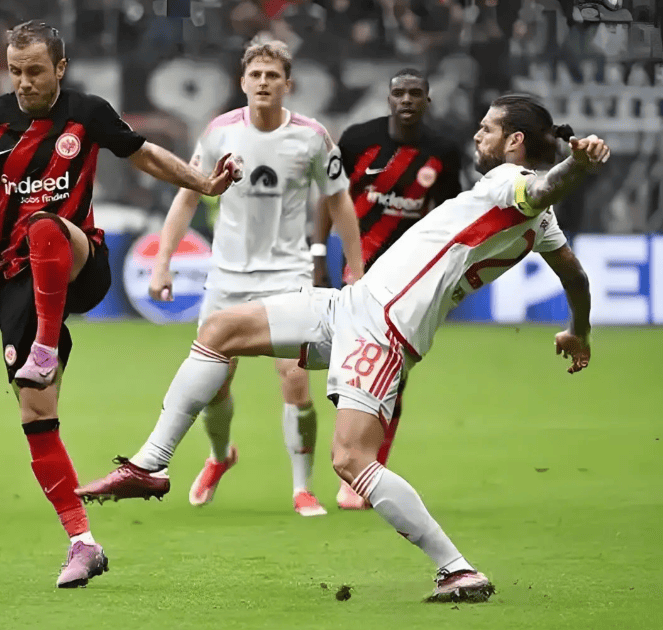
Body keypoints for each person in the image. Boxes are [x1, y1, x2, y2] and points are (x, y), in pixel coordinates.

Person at [77, 94, 608, 602]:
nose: (477, 134)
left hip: (385, 330)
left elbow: (544, 188)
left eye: (488, 128)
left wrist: (576, 167)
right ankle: (150, 465)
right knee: (219, 330)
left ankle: (457, 568)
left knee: (352, 460)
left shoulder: (513, 184)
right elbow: (576, 277)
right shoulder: (539, 221)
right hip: (353, 305)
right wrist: (578, 331)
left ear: (515, 141)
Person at [0, 20, 235, 589]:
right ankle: (82, 543)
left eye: (35, 71)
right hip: (18, 281)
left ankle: (43, 347)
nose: (24, 82)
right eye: (15, 71)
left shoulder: (86, 113)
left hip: (81, 261)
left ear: (60, 68)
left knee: (43, 224)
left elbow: (145, 155)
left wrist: (203, 183)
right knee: (36, 416)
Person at [147, 40, 364, 517]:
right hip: (228, 276)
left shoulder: (312, 137)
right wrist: (163, 261)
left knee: (294, 378)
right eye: (256, 75)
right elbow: (187, 195)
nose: (264, 82)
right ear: (242, 82)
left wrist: (357, 268)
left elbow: (339, 201)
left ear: (288, 84)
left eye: (273, 75)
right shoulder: (219, 132)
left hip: (287, 274)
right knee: (215, 385)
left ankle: (302, 487)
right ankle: (220, 456)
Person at [314, 67, 463, 510]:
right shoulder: (358, 140)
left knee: (393, 374)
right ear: (389, 98)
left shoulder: (443, 152)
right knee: (353, 368)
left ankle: (368, 470)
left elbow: (450, 217)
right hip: (359, 269)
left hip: (410, 276)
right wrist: (318, 255)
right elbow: (329, 196)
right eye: (400, 92)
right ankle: (355, 463)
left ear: (427, 100)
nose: (407, 100)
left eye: (416, 93)